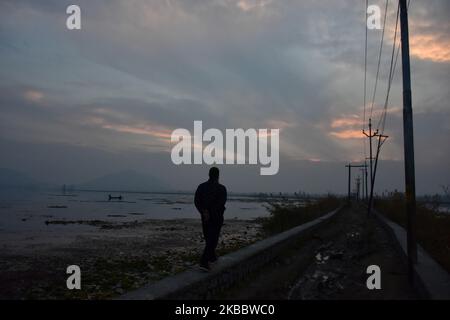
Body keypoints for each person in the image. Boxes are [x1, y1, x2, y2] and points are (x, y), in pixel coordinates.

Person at [194, 167, 227, 271]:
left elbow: (196, 201)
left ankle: (212, 257)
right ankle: (203, 262)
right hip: (216, 218)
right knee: (212, 240)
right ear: (218, 175)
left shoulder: (201, 187)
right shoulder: (221, 188)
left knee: (209, 238)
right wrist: (209, 212)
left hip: (205, 218)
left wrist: (204, 211)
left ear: (209, 174)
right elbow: (221, 203)